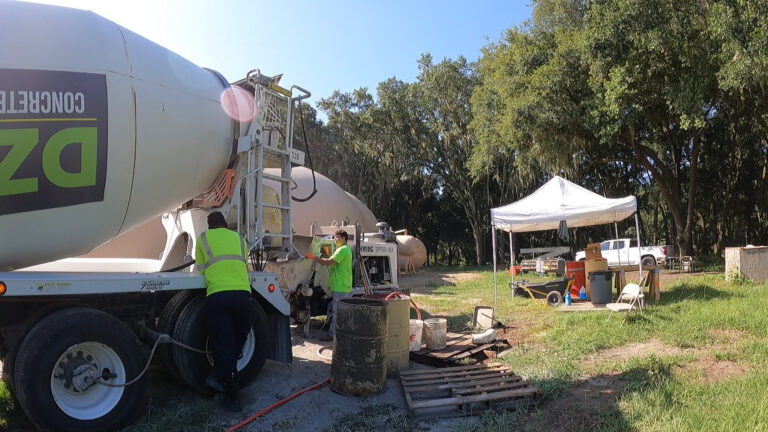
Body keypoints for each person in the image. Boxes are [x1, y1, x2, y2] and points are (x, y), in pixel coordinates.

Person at [195, 211, 251, 412]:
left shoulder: (203, 239)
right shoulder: (240, 239)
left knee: (223, 343)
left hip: (218, 296)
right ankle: (223, 374)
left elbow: (201, 270)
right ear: (226, 224)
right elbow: (243, 264)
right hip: (243, 295)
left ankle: (230, 392)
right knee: (239, 337)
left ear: (209, 226)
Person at [305, 230, 352, 341]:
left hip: (341, 286)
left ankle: (332, 335)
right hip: (341, 285)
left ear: (344, 238)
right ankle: (340, 333)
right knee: (334, 308)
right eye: (334, 237)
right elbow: (330, 258)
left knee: (337, 311)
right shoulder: (342, 250)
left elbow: (328, 262)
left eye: (337, 237)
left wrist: (312, 257)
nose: (335, 240)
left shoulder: (343, 250)